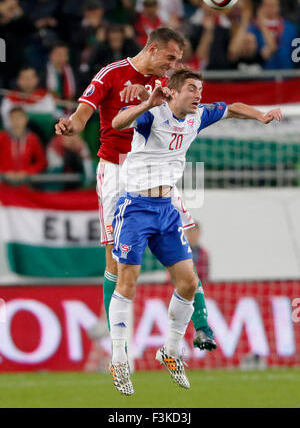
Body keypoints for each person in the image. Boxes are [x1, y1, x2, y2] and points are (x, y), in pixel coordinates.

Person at [108, 68, 282, 395]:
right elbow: (118, 123)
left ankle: (171, 350)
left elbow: (231, 107)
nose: (199, 95)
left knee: (188, 282)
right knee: (127, 280)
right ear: (173, 92)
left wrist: (260, 116)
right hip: (134, 207)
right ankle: (119, 356)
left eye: (200, 89)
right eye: (192, 88)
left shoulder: (197, 116)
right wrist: (148, 103)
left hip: (166, 211)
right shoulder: (153, 113)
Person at [54, 27, 217, 354]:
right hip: (116, 170)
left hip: (155, 172)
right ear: (153, 49)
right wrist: (72, 124)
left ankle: (202, 326)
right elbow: (84, 113)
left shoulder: (165, 85)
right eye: (170, 57)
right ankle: (115, 343)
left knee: (186, 241)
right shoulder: (112, 74)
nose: (172, 65)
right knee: (115, 259)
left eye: (178, 60)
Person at [0, 106, 47, 183]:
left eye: (19, 117)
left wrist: (28, 172)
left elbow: (42, 162)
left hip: (25, 183)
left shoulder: (32, 139)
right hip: (4, 183)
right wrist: (3, 172)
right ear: (9, 120)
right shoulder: (2, 137)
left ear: (26, 119)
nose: (16, 121)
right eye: (13, 118)